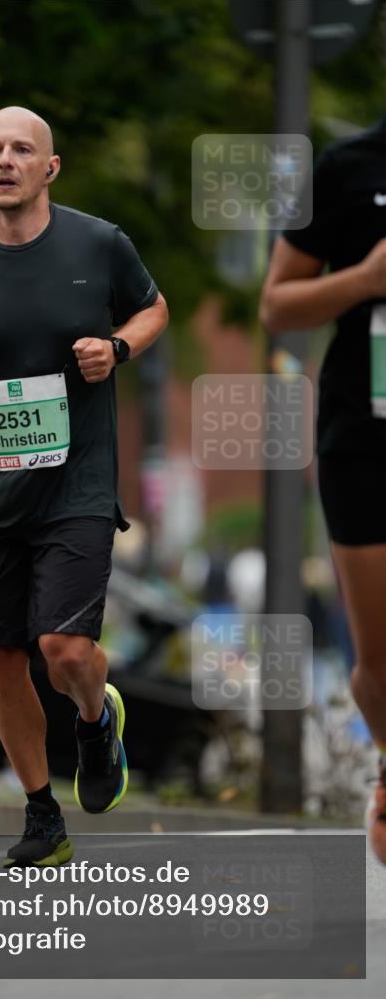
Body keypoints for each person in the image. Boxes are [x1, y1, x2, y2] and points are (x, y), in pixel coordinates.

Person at [0, 106, 168, 866]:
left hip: (75, 484)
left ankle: (94, 720)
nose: (7, 160)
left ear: (50, 168)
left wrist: (117, 348)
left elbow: (153, 308)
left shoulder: (97, 243)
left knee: (63, 647)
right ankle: (40, 815)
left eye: (23, 149)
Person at [260, 117, 386, 861]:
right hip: (363, 439)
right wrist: (365, 281)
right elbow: (277, 306)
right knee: (377, 654)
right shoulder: (345, 169)